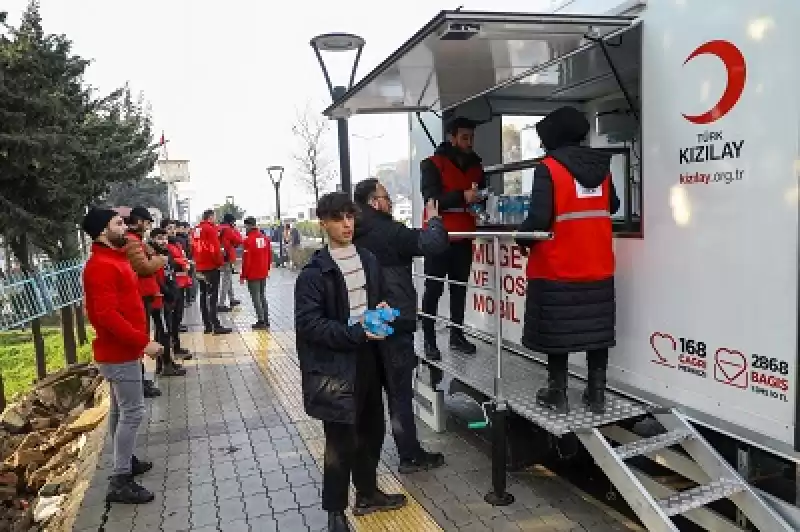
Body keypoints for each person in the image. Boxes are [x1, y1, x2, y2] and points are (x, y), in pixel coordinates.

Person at [295, 192, 407, 532]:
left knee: (372, 430)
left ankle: (368, 493)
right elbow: (310, 326)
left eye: (350, 217)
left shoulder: (368, 259)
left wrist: (382, 308)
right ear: (324, 223)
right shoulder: (315, 273)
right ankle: (334, 514)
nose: (347, 224)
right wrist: (357, 332)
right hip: (336, 367)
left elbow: (373, 299)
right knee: (340, 441)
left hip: (372, 357)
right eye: (338, 218)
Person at [517, 106, 619, 414]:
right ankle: (597, 394)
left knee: (558, 330)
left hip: (557, 266)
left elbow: (538, 218)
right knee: (596, 328)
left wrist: (522, 237)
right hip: (598, 263)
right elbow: (612, 205)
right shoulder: (602, 168)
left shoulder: (548, 168)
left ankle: (557, 394)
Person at [353, 179, 448, 473]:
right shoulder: (389, 231)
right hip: (394, 319)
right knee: (399, 392)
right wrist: (434, 221)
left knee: (373, 394)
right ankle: (409, 455)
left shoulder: (354, 231)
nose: (391, 202)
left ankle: (369, 462)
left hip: (367, 321)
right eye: (386, 197)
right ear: (373, 202)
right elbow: (433, 243)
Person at [81, 208, 163, 504]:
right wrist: (144, 342)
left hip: (123, 351)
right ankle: (120, 479)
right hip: (119, 353)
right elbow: (106, 316)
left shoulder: (114, 259)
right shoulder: (101, 265)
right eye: (118, 223)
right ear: (103, 231)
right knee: (133, 412)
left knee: (120, 411)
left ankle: (125, 461)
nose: (124, 227)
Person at [420, 116, 486, 359]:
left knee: (459, 289)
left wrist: (480, 201)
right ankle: (429, 339)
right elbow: (432, 200)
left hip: (465, 236)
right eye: (464, 137)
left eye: (471, 137)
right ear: (451, 137)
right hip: (438, 237)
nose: (469, 142)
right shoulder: (432, 164)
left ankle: (457, 335)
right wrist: (463, 196)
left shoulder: (477, 166)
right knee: (433, 289)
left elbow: (481, 196)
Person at [124, 206, 166, 398]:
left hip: (144, 294)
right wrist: (160, 260)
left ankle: (140, 378)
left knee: (143, 333)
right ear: (139, 221)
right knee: (139, 336)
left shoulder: (137, 241)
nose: (149, 227)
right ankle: (138, 381)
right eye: (147, 223)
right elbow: (143, 267)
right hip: (140, 295)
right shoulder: (132, 242)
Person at [148, 228, 188, 377]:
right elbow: (158, 280)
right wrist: (168, 294)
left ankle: (165, 362)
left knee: (164, 332)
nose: (163, 241)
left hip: (167, 298)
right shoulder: (153, 256)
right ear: (152, 239)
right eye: (159, 238)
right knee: (164, 332)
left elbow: (169, 275)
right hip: (160, 300)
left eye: (164, 238)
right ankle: (165, 365)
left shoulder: (166, 254)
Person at [191, 209, 232, 335]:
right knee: (212, 296)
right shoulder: (210, 229)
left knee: (203, 296)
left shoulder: (195, 230)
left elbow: (192, 247)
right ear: (210, 217)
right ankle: (215, 324)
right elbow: (215, 248)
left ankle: (207, 324)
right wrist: (219, 262)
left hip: (199, 266)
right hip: (210, 267)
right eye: (214, 217)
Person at [240, 217, 272, 329]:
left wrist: (243, 275)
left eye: (245, 227)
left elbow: (246, 260)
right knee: (262, 295)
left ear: (248, 226)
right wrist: (267, 269)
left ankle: (261, 320)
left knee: (256, 297)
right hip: (263, 271)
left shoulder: (248, 240)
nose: (245, 229)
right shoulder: (265, 238)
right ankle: (266, 319)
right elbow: (269, 255)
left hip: (253, 273)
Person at [218, 213, 243, 311]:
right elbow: (239, 240)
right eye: (234, 222)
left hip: (220, 256)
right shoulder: (228, 229)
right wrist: (235, 229)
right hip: (227, 257)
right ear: (231, 221)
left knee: (228, 278)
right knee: (226, 280)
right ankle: (221, 303)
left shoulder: (218, 228)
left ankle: (231, 298)